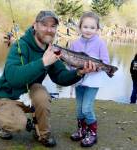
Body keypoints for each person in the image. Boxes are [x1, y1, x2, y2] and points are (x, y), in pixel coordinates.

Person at [0, 10, 96, 147]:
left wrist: (79, 72)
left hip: (30, 93)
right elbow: (13, 78)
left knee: (41, 92)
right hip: (7, 95)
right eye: (44, 25)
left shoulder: (52, 50)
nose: (49, 30)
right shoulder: (19, 45)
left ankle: (43, 133)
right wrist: (43, 62)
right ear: (35, 25)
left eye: (53, 26)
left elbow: (61, 77)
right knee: (18, 124)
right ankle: (7, 123)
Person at [69, 11, 110, 147]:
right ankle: (82, 130)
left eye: (92, 28)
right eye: (85, 27)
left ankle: (92, 133)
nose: (88, 30)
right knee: (80, 108)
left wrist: (96, 68)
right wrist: (72, 70)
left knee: (87, 108)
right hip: (79, 80)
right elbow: (70, 63)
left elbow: (105, 61)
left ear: (97, 29)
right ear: (80, 27)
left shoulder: (100, 43)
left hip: (93, 82)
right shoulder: (74, 44)